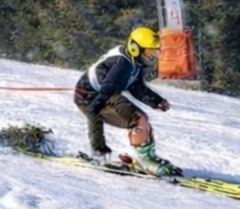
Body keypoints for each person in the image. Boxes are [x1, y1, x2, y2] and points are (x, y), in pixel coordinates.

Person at [73, 27, 180, 176]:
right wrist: (95, 110)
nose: (154, 55)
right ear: (136, 48)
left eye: (156, 51)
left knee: (142, 120)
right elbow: (108, 87)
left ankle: (144, 157)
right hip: (92, 97)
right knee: (137, 119)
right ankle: (140, 159)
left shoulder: (134, 61)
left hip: (103, 93)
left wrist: (156, 101)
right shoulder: (122, 64)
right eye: (150, 51)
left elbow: (135, 86)